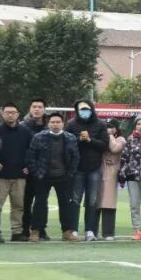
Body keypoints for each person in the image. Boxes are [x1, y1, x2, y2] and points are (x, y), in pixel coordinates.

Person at [27, 113, 79, 242]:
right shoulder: (38, 137)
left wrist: (70, 174)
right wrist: (36, 172)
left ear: (63, 124)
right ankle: (36, 230)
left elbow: (75, 157)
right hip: (43, 176)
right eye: (53, 122)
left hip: (64, 177)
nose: (55, 124)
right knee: (39, 203)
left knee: (65, 204)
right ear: (48, 124)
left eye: (58, 122)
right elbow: (31, 156)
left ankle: (67, 231)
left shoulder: (71, 138)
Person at [66, 100, 108, 241]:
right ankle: (73, 230)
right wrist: (79, 139)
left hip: (94, 168)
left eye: (87, 109)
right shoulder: (71, 124)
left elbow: (105, 145)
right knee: (75, 200)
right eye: (82, 109)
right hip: (77, 168)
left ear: (92, 109)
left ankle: (90, 230)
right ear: (77, 110)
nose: (84, 112)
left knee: (92, 200)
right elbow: (67, 143)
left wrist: (90, 140)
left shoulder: (101, 124)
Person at [0, 102, 32, 243]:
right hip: (0, 176)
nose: (10, 115)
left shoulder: (25, 131)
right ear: (2, 113)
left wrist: (28, 166)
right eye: (7, 112)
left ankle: (17, 232)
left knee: (18, 206)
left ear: (18, 114)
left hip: (19, 176)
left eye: (13, 112)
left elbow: (32, 150)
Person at [19, 98, 47, 240]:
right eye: (34, 106)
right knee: (26, 201)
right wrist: (24, 165)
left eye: (39, 107)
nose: (37, 109)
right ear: (30, 109)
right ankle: (24, 230)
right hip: (27, 171)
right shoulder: (22, 126)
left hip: (44, 171)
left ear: (44, 109)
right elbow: (19, 148)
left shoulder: (49, 126)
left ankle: (41, 230)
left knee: (42, 202)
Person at [97, 119, 126, 241]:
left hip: (112, 171)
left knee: (108, 202)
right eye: (107, 127)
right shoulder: (100, 137)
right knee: (95, 201)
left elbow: (114, 149)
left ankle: (108, 232)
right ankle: (93, 230)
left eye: (112, 127)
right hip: (98, 169)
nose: (109, 129)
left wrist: (109, 136)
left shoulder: (121, 139)